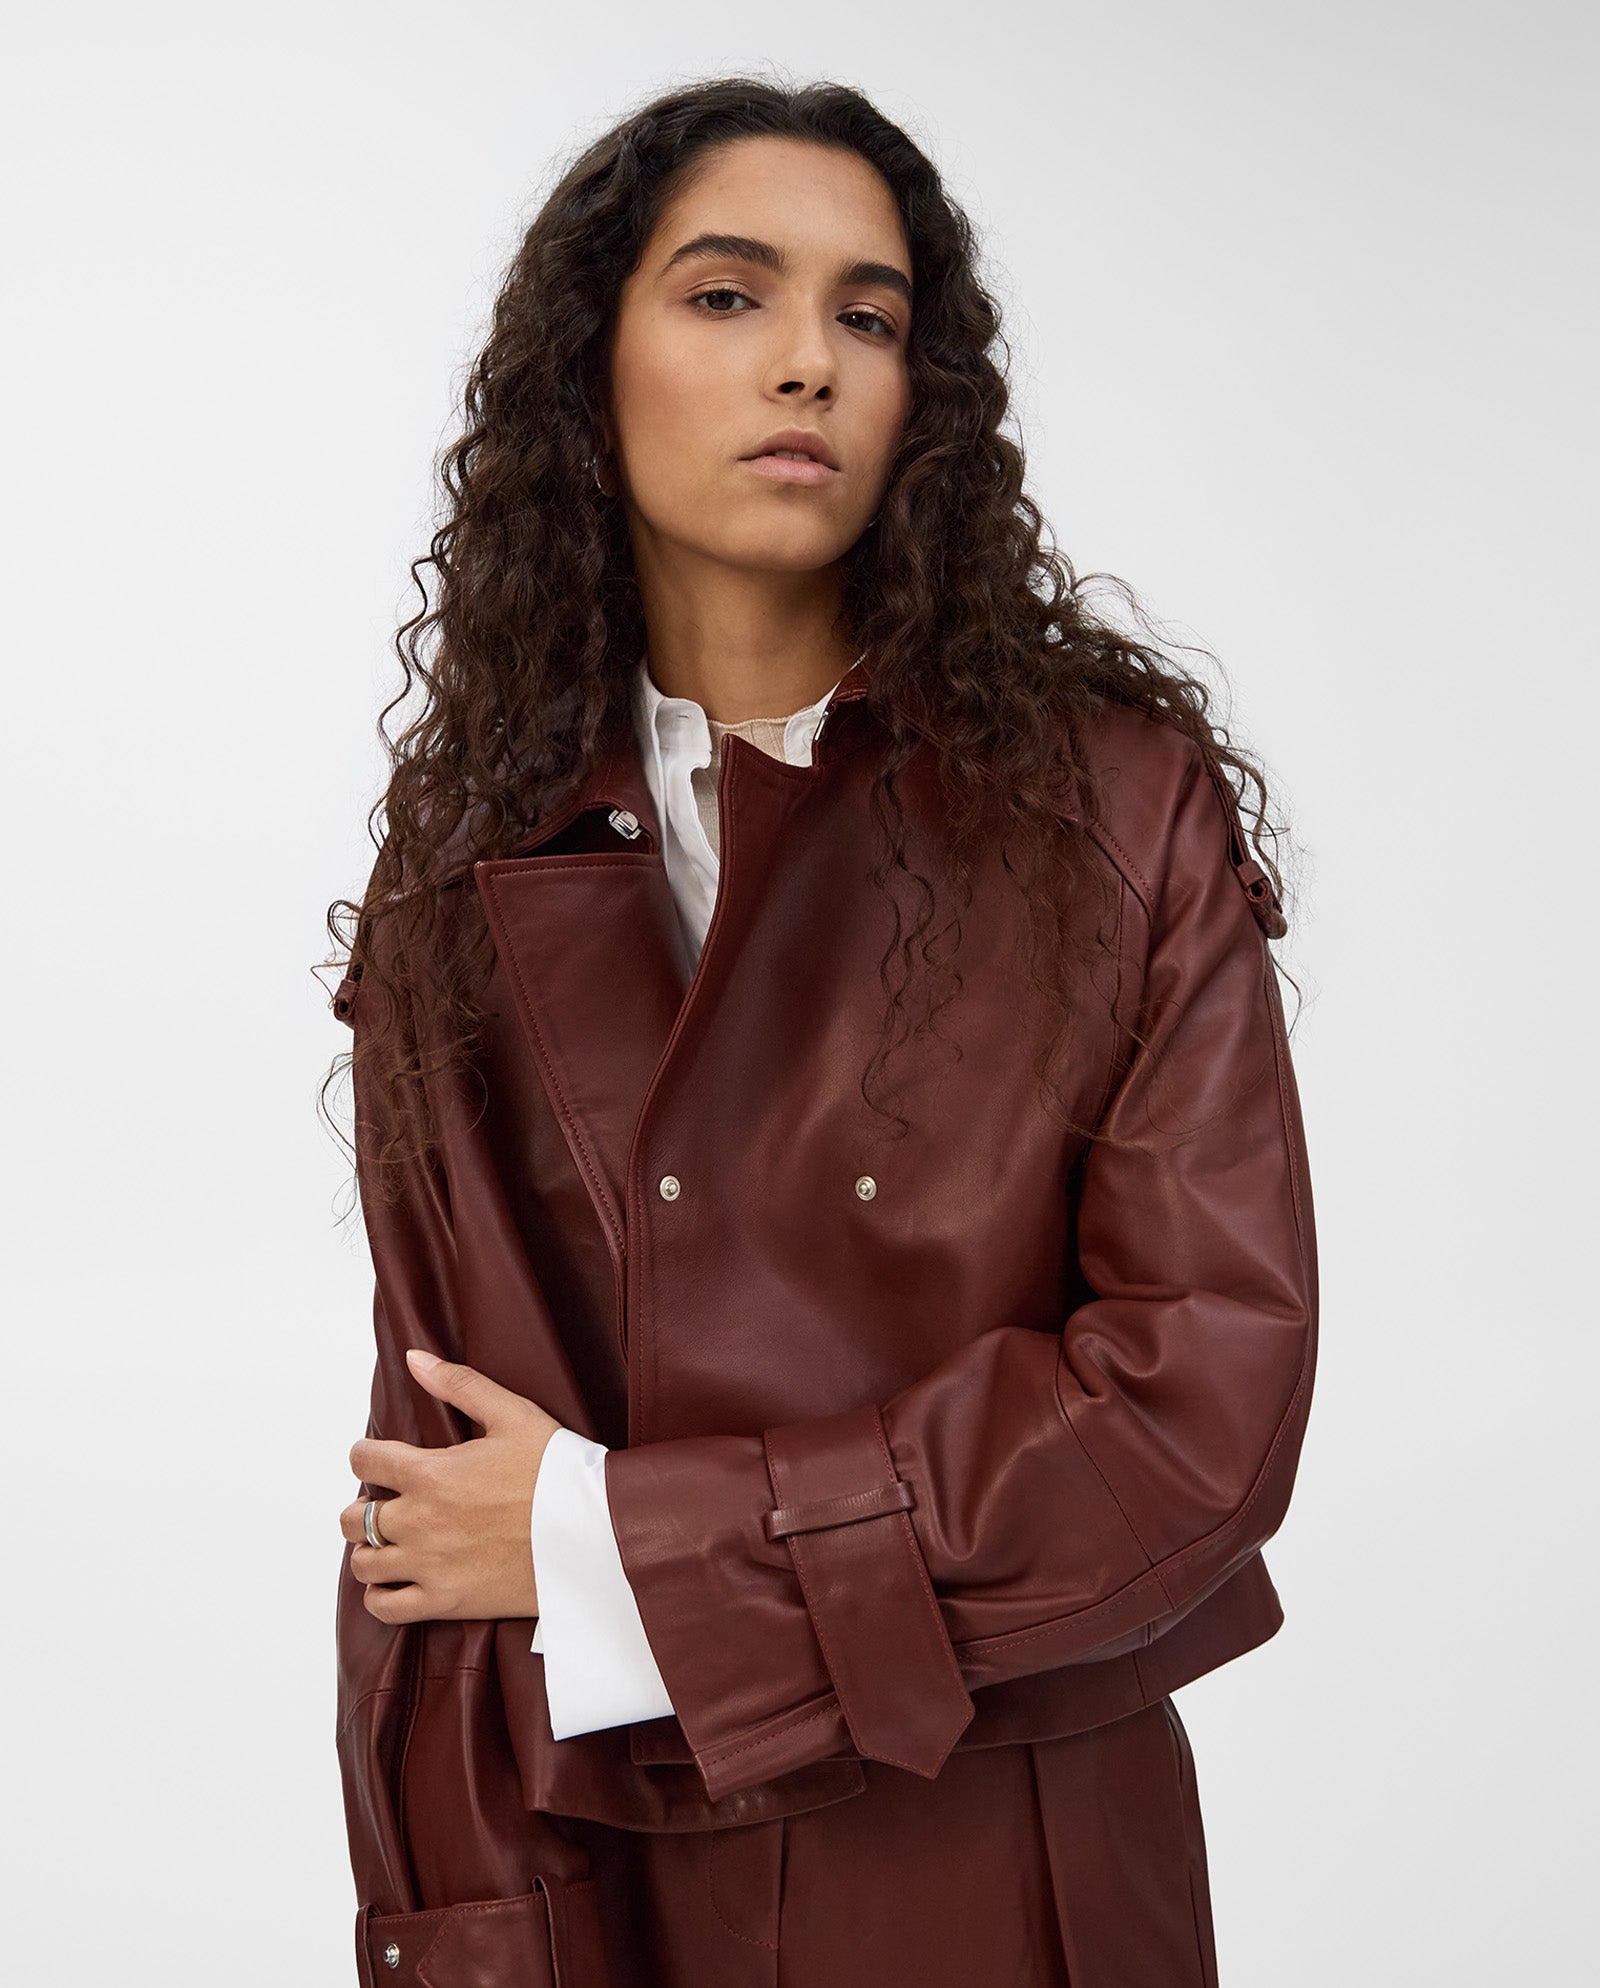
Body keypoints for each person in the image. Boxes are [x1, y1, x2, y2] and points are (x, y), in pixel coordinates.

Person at [322, 74, 1318, 1988]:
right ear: (585, 371)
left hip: (1012, 1874)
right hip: (599, 1880)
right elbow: (434, 1523)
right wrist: (461, 1945)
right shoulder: (466, 868)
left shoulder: (1116, 816)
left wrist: (626, 1541)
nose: (810, 363)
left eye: (869, 316)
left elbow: (1202, 1414)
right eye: (726, 295)